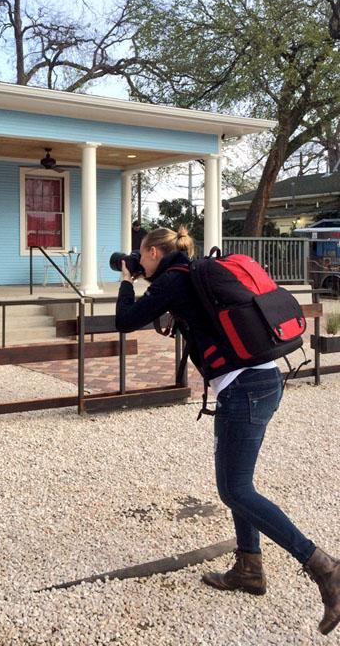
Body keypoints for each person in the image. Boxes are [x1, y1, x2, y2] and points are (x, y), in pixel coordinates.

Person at [115, 226, 340, 636]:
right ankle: (249, 567)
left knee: (235, 490)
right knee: (240, 483)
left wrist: (127, 282)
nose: (138, 261)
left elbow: (125, 320)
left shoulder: (172, 281)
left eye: (141, 256)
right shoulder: (196, 272)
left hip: (243, 390)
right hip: (263, 380)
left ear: (151, 252)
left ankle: (324, 567)